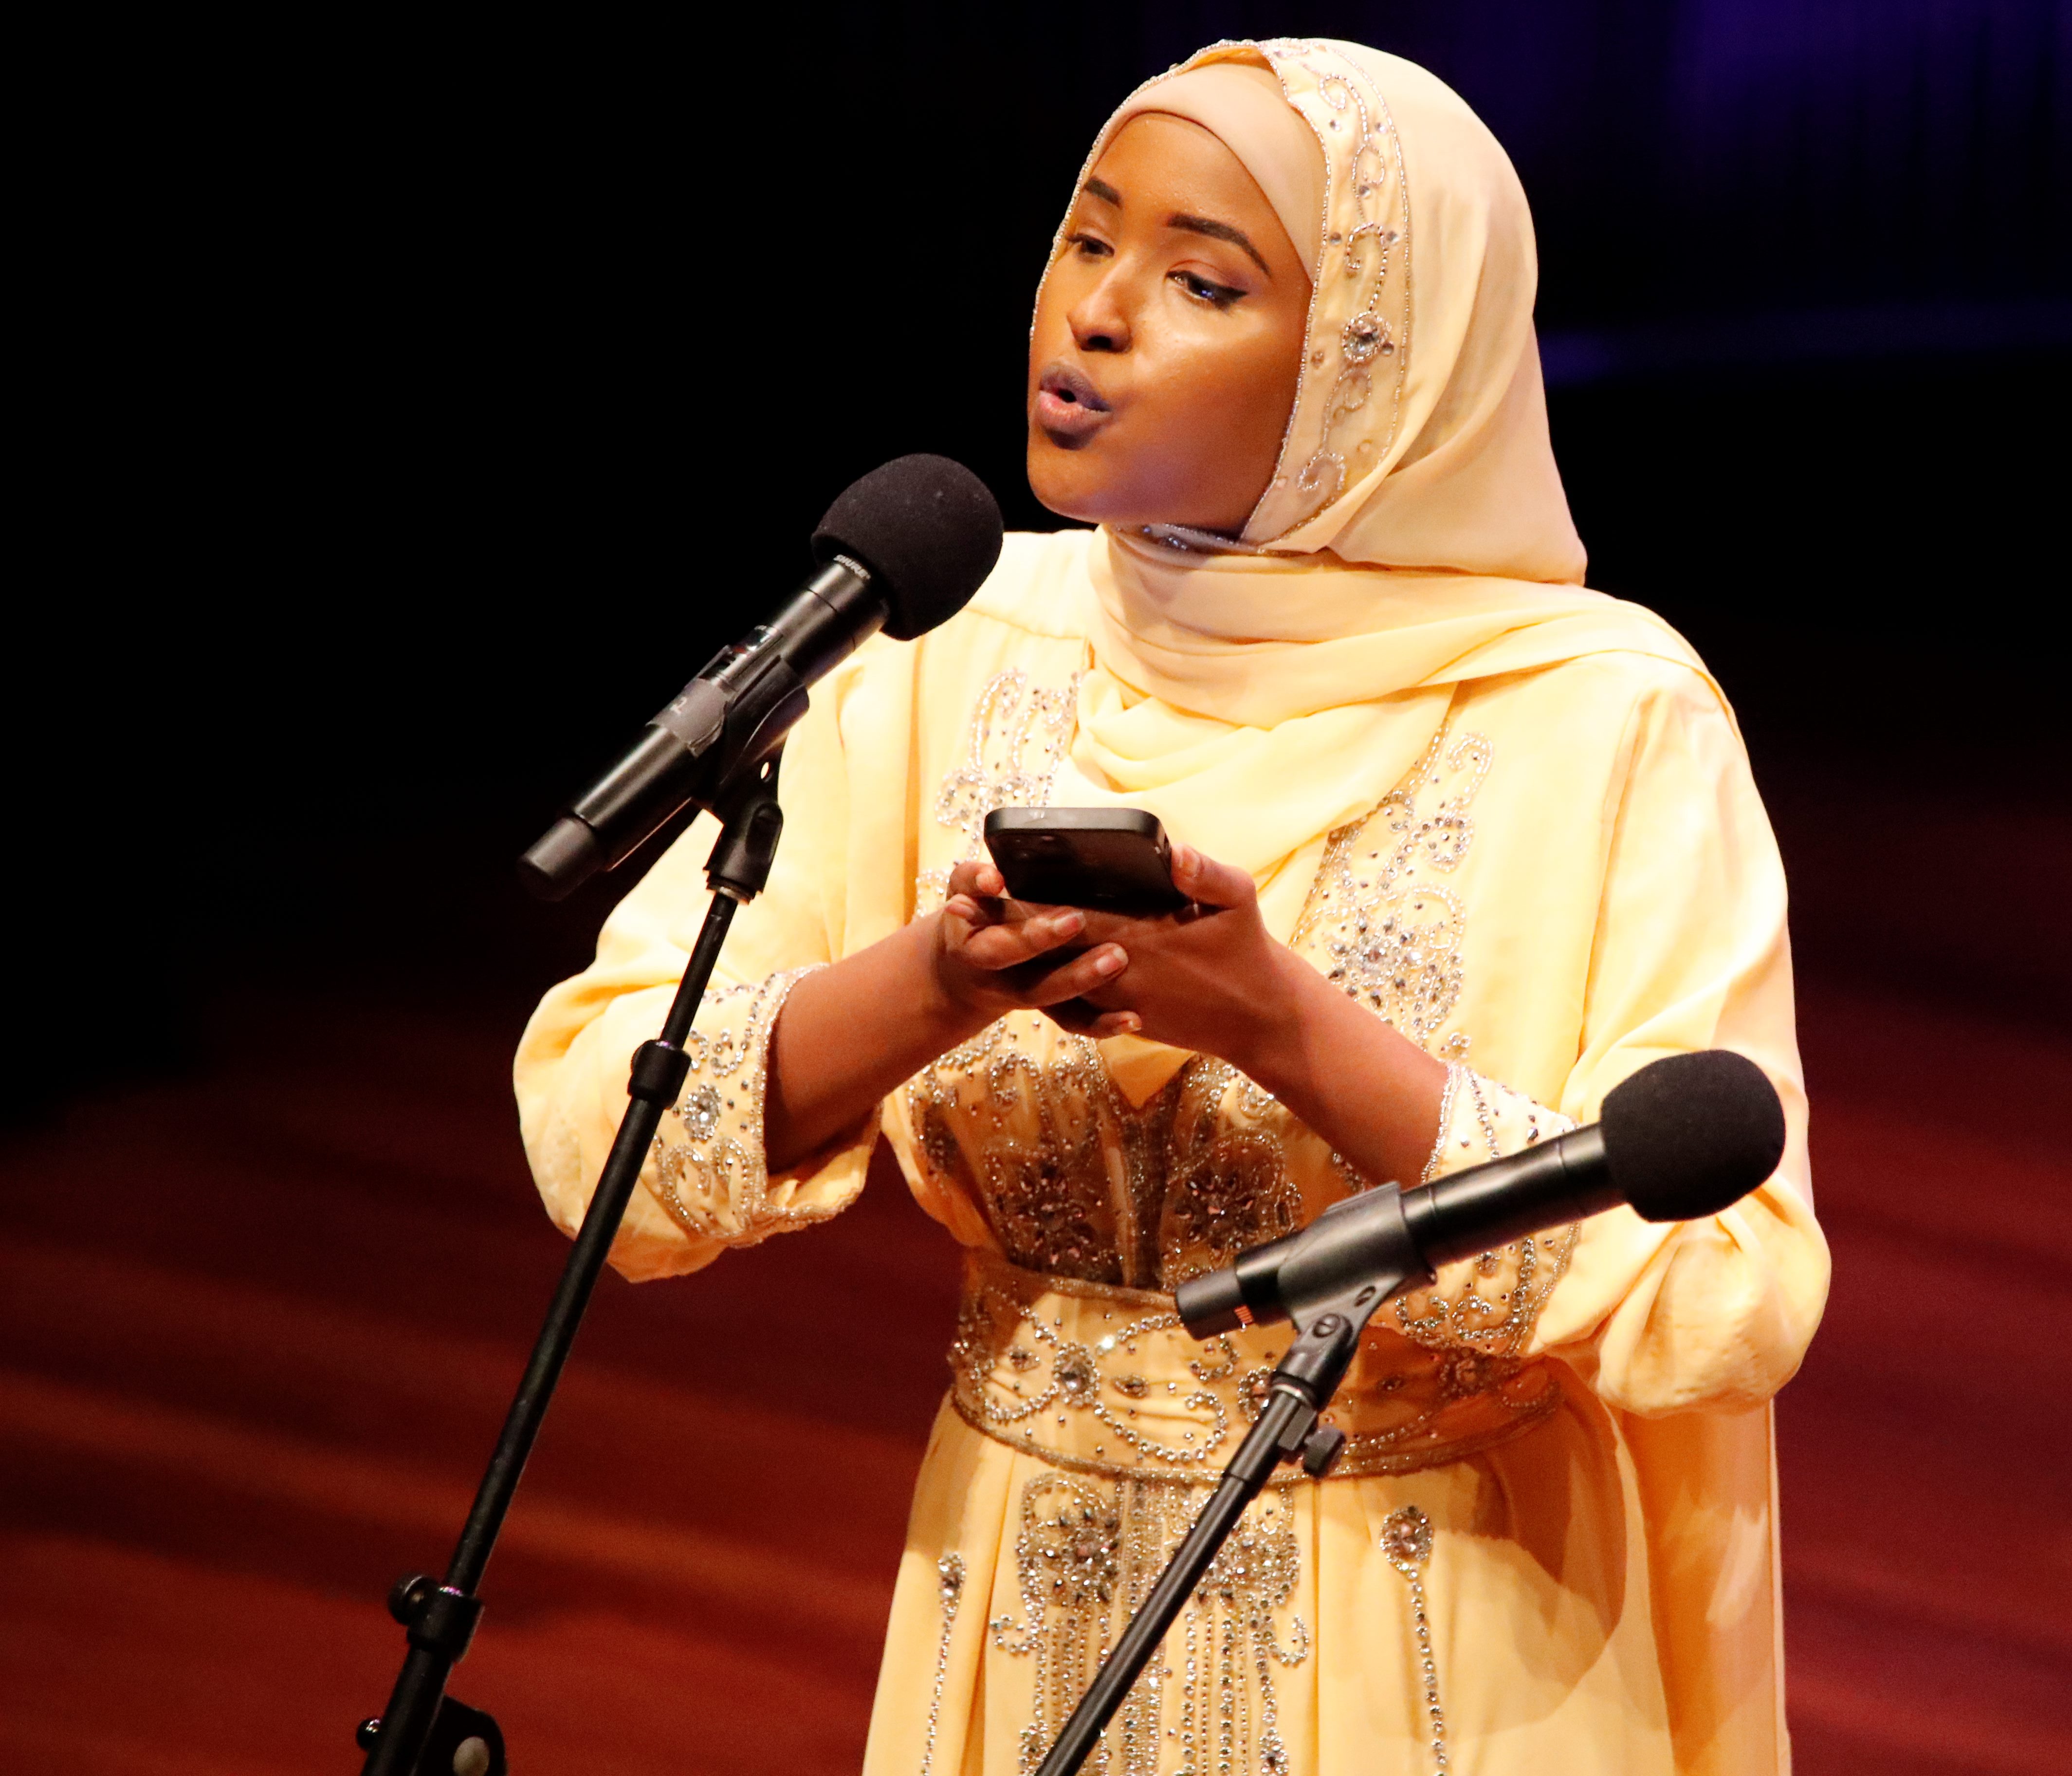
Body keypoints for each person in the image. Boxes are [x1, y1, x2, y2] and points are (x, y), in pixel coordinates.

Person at [516, 37, 1830, 1776]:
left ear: (1382, 367)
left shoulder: (1600, 710)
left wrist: (1271, 1021)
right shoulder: (948, 639)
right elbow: (600, 1137)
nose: (1099, 315)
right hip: (1015, 1591)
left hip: (1443, 1632)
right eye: (1087, 241)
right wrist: (943, 978)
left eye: (1202, 279)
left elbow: (1729, 1294)